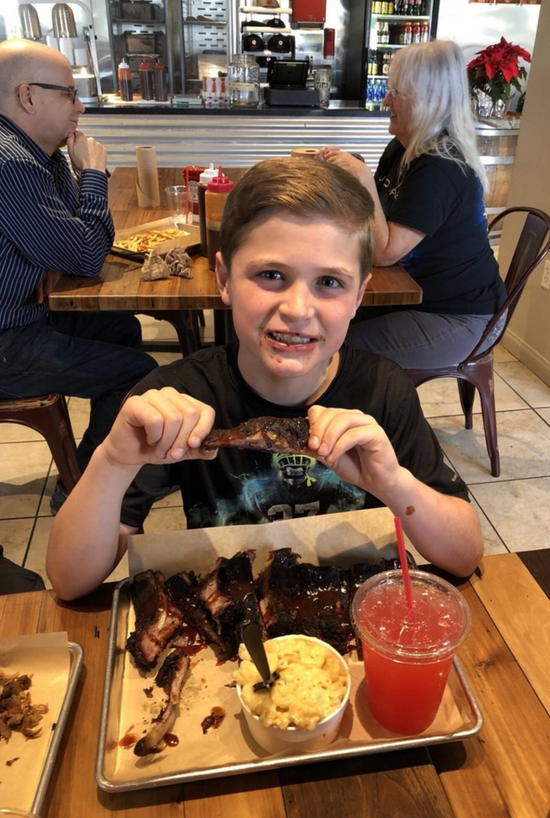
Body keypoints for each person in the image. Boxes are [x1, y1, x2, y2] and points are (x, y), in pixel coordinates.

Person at [46, 156, 483, 601]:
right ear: (224, 278)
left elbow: (463, 556)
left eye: (330, 281)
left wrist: (393, 482)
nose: (297, 309)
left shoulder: (382, 390)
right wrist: (114, 464)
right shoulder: (180, 395)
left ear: (359, 296)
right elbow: (70, 579)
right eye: (271, 275)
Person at [0, 39, 156, 510]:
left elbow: (75, 231)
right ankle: (84, 490)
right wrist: (94, 173)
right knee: (140, 373)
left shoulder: (35, 154)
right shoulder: (10, 164)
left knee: (122, 326)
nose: (81, 106)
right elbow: (87, 255)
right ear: (27, 96)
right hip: (7, 339)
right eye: (68, 94)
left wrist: (69, 164)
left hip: (26, 316)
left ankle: (100, 456)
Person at [317, 40, 506, 370]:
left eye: (397, 92)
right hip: (420, 296)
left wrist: (361, 175)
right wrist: (344, 176)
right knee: (320, 323)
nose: (386, 100)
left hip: (460, 317)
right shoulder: (401, 147)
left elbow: (385, 252)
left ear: (430, 99)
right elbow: (372, 215)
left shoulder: (441, 167)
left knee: (334, 350)